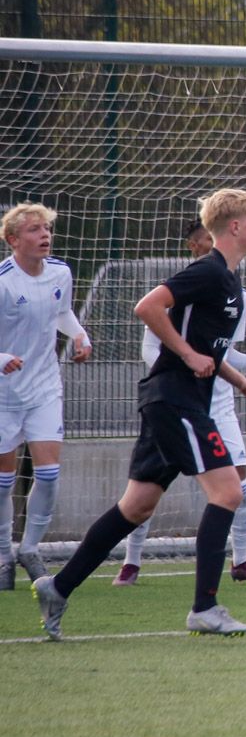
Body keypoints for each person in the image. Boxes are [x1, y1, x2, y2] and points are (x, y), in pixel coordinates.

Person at [33, 190, 246, 638]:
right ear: (234, 226)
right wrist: (184, 353)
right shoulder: (208, 272)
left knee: (136, 507)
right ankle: (205, 607)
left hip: (175, 401)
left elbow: (207, 350)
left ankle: (58, 588)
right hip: (175, 400)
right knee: (228, 493)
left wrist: (241, 382)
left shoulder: (231, 283)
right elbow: (148, 307)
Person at [116, 223, 246, 587]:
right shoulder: (182, 286)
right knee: (148, 492)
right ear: (197, 244)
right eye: (206, 239)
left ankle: (240, 560)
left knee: (236, 482)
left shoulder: (238, 292)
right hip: (178, 398)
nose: (211, 244)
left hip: (217, 400)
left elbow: (219, 349)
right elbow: (155, 343)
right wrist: (185, 360)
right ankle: (131, 561)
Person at [0, 204, 92, 590]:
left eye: (47, 229)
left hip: (44, 387)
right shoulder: (3, 281)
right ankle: (4, 555)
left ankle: (30, 549)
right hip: (4, 393)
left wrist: (79, 334)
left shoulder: (60, 272)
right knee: (3, 481)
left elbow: (62, 312)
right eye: (35, 230)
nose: (44, 236)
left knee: (50, 474)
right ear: (12, 240)